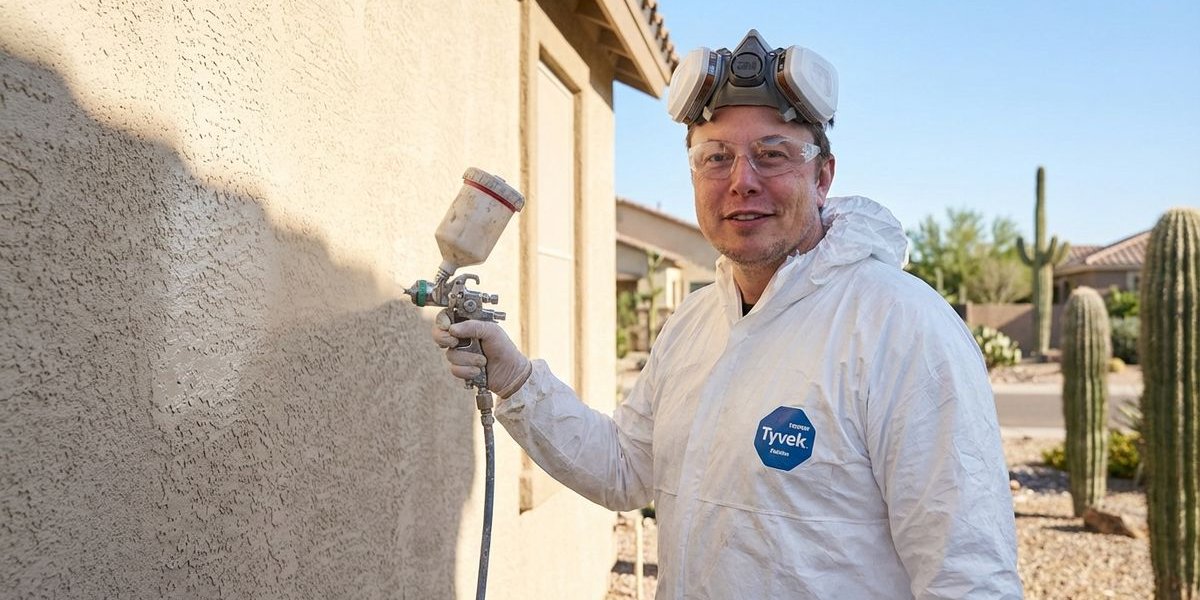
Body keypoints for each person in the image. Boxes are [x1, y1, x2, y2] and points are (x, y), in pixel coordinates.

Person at [433, 30, 1022, 599]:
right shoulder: (694, 323)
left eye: (772, 155)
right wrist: (515, 381)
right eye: (716, 157)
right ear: (693, 175)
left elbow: (967, 576)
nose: (742, 181)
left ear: (823, 177)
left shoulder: (900, 325)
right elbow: (626, 470)